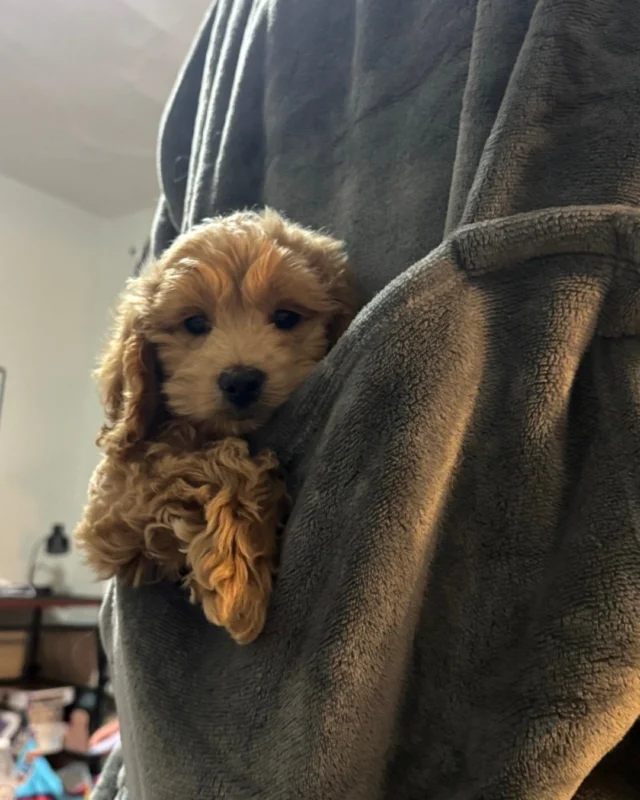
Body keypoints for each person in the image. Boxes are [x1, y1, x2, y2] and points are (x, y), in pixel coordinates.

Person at [94, 0, 640, 798]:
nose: (241, 360)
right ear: (142, 356)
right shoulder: (153, 431)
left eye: (287, 318)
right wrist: (221, 491)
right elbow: (111, 530)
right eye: (193, 324)